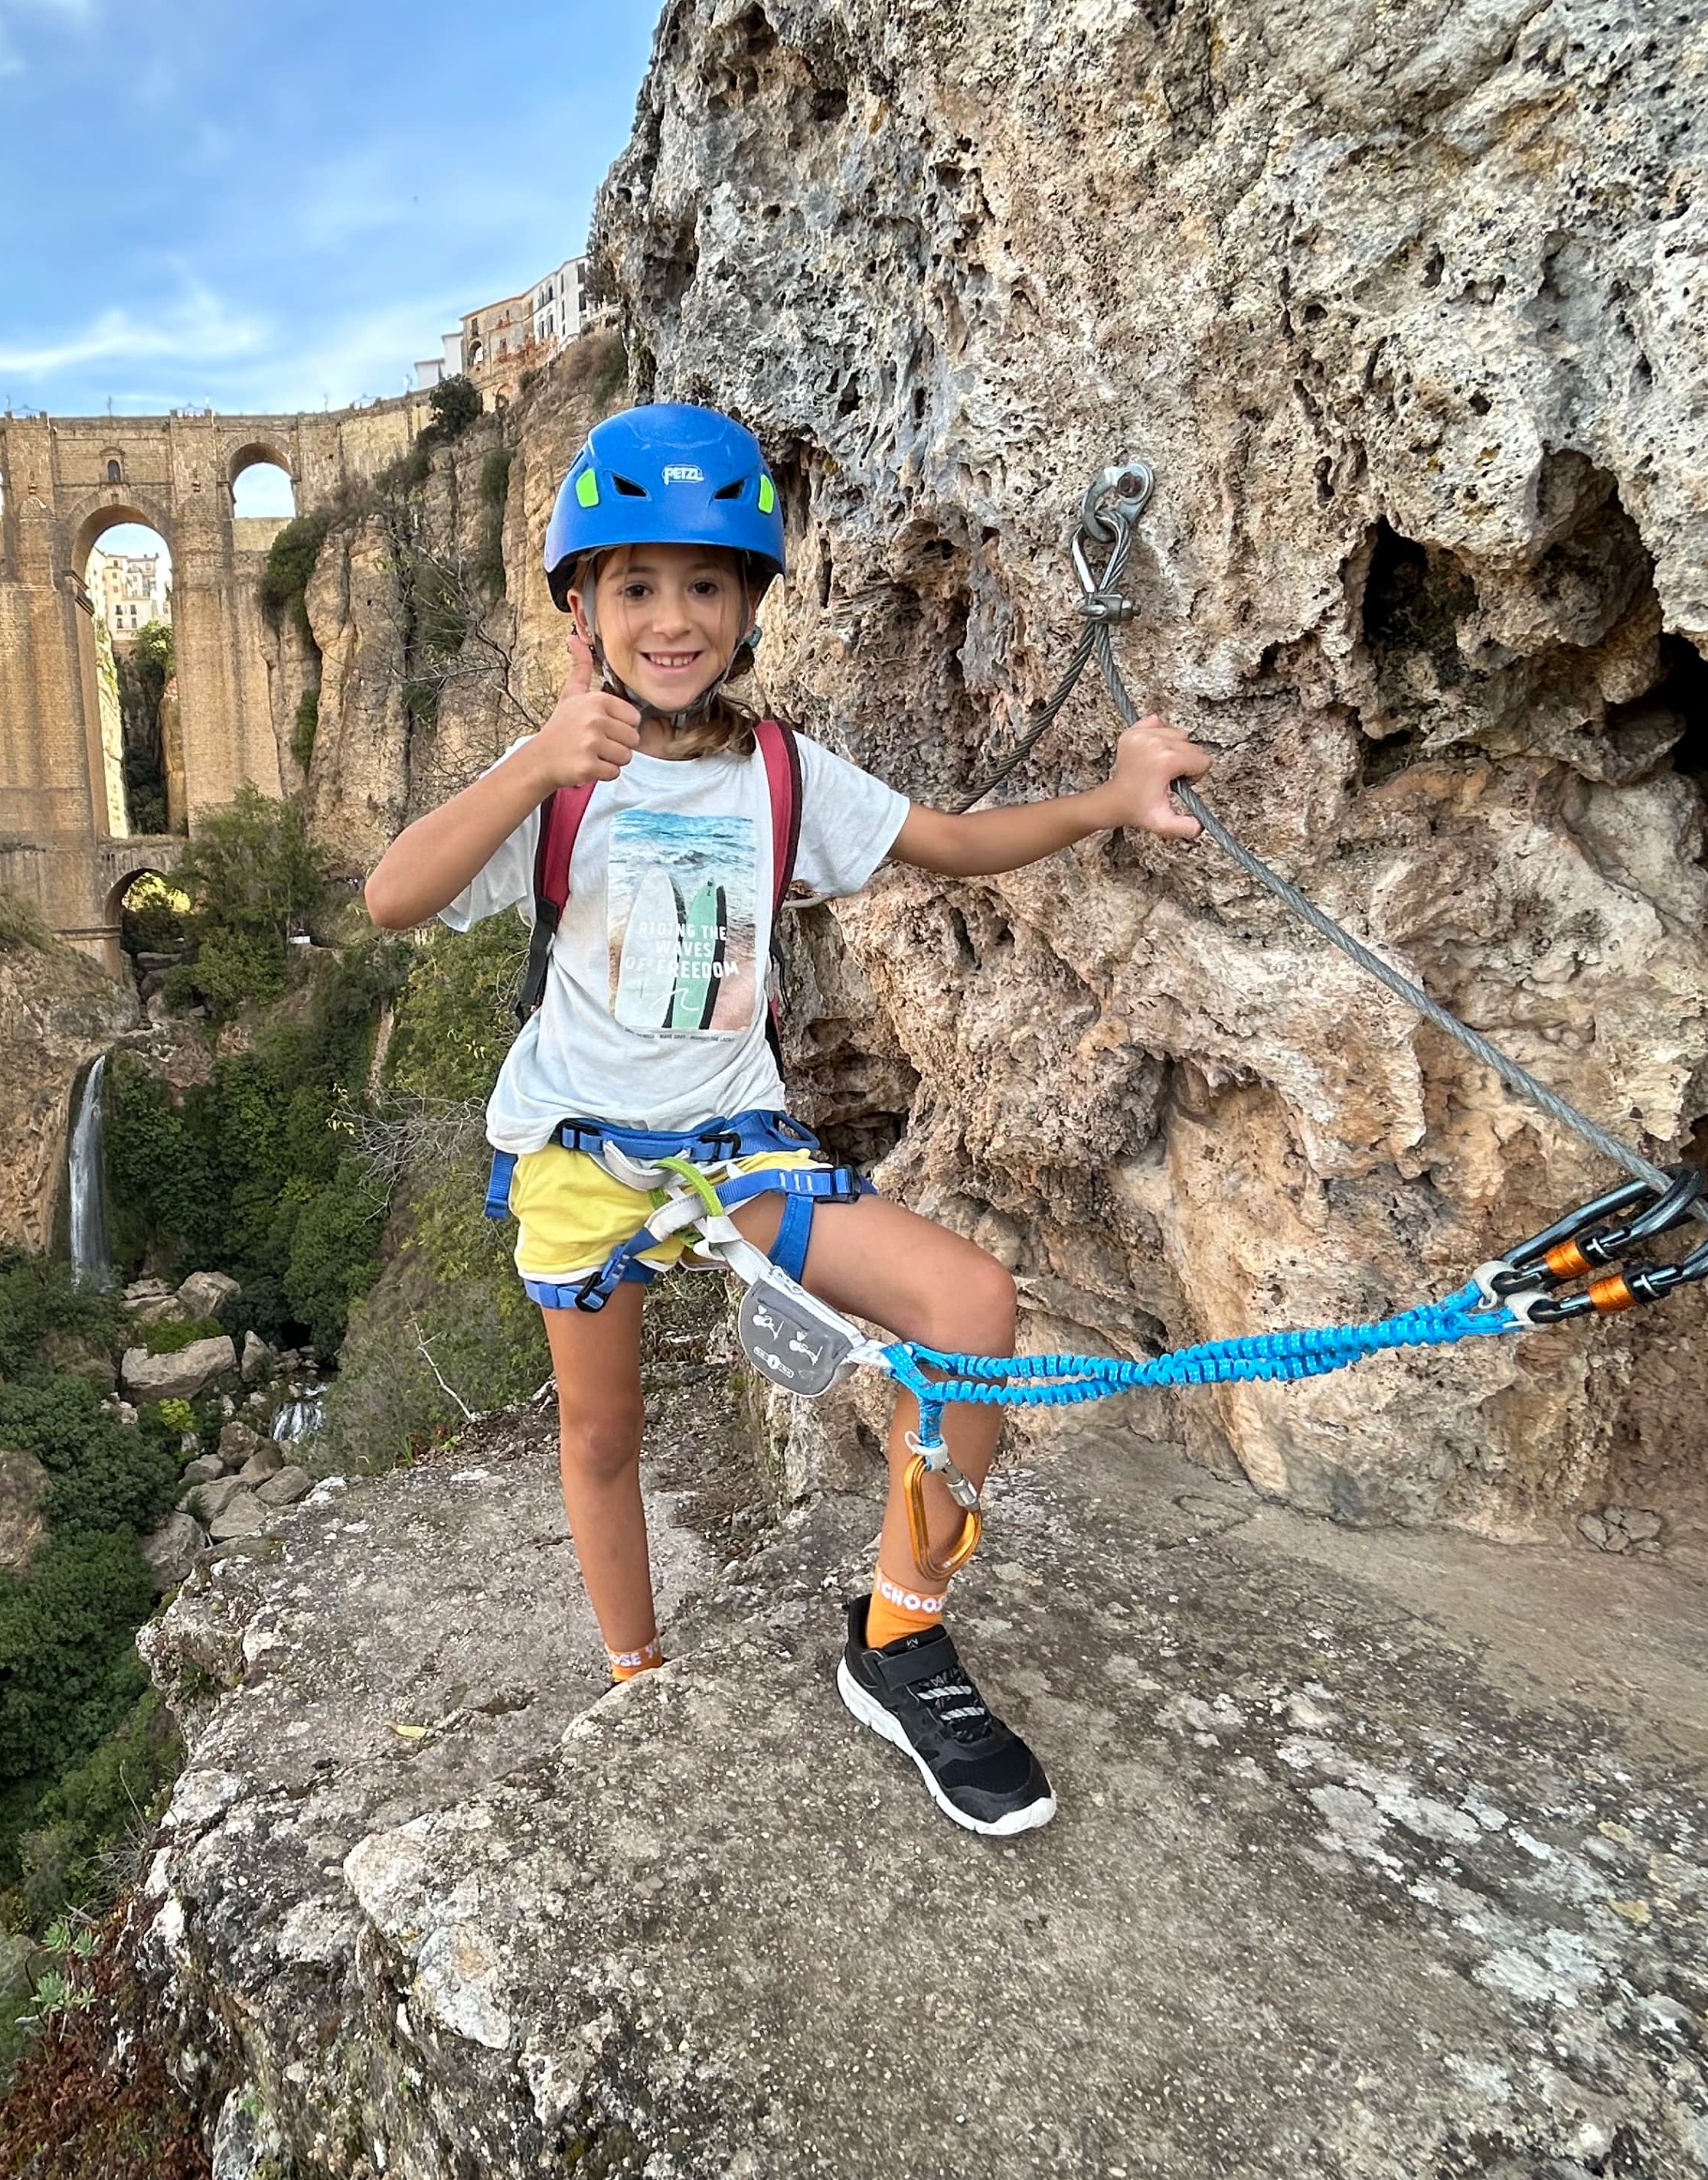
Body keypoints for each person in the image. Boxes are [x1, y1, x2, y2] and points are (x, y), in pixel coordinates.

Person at [361, 403, 1209, 1836]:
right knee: (602, 1434)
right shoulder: (560, 779)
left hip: (728, 1145)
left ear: (751, 605)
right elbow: (394, 898)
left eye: (706, 583)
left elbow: (952, 845)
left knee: (971, 1304)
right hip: (580, 1155)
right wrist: (536, 764)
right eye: (636, 584)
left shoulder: (781, 775)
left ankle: (902, 1637)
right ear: (583, 612)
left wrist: (1112, 802)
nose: (672, 618)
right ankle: (637, 1676)